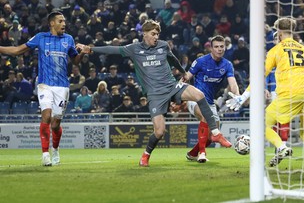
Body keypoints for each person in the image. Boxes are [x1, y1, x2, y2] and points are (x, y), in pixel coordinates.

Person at [77, 19, 232, 167]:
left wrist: (183, 72)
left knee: (199, 95)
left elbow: (173, 60)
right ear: (144, 34)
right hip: (155, 94)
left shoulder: (163, 46)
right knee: (159, 132)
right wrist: (91, 49)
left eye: (157, 34)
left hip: (171, 86)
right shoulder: (134, 49)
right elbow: (113, 50)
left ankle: (216, 132)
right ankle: (146, 155)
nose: (156, 37)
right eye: (153, 34)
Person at [226, 17, 304, 170]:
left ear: (279, 33)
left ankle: (282, 147)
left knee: (262, 124)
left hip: (290, 91)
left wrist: (244, 96)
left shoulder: (276, 50)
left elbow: (261, 74)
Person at [0, 11, 85, 166]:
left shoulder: (68, 39)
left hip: (62, 87)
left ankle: (55, 150)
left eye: (64, 21)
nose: (64, 24)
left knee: (55, 124)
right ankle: (45, 154)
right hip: (45, 84)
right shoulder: (41, 37)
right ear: (52, 23)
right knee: (46, 116)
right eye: (60, 21)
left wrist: (83, 53)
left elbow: (76, 61)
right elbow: (18, 50)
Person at [185, 35, 240, 163]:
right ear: (211, 48)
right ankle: (202, 154)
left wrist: (237, 96)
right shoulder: (201, 61)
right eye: (216, 47)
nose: (219, 49)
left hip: (210, 102)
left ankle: (192, 154)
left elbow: (232, 83)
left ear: (225, 48)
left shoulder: (227, 65)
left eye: (222, 47)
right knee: (206, 116)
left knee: (212, 135)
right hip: (195, 99)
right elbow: (187, 77)